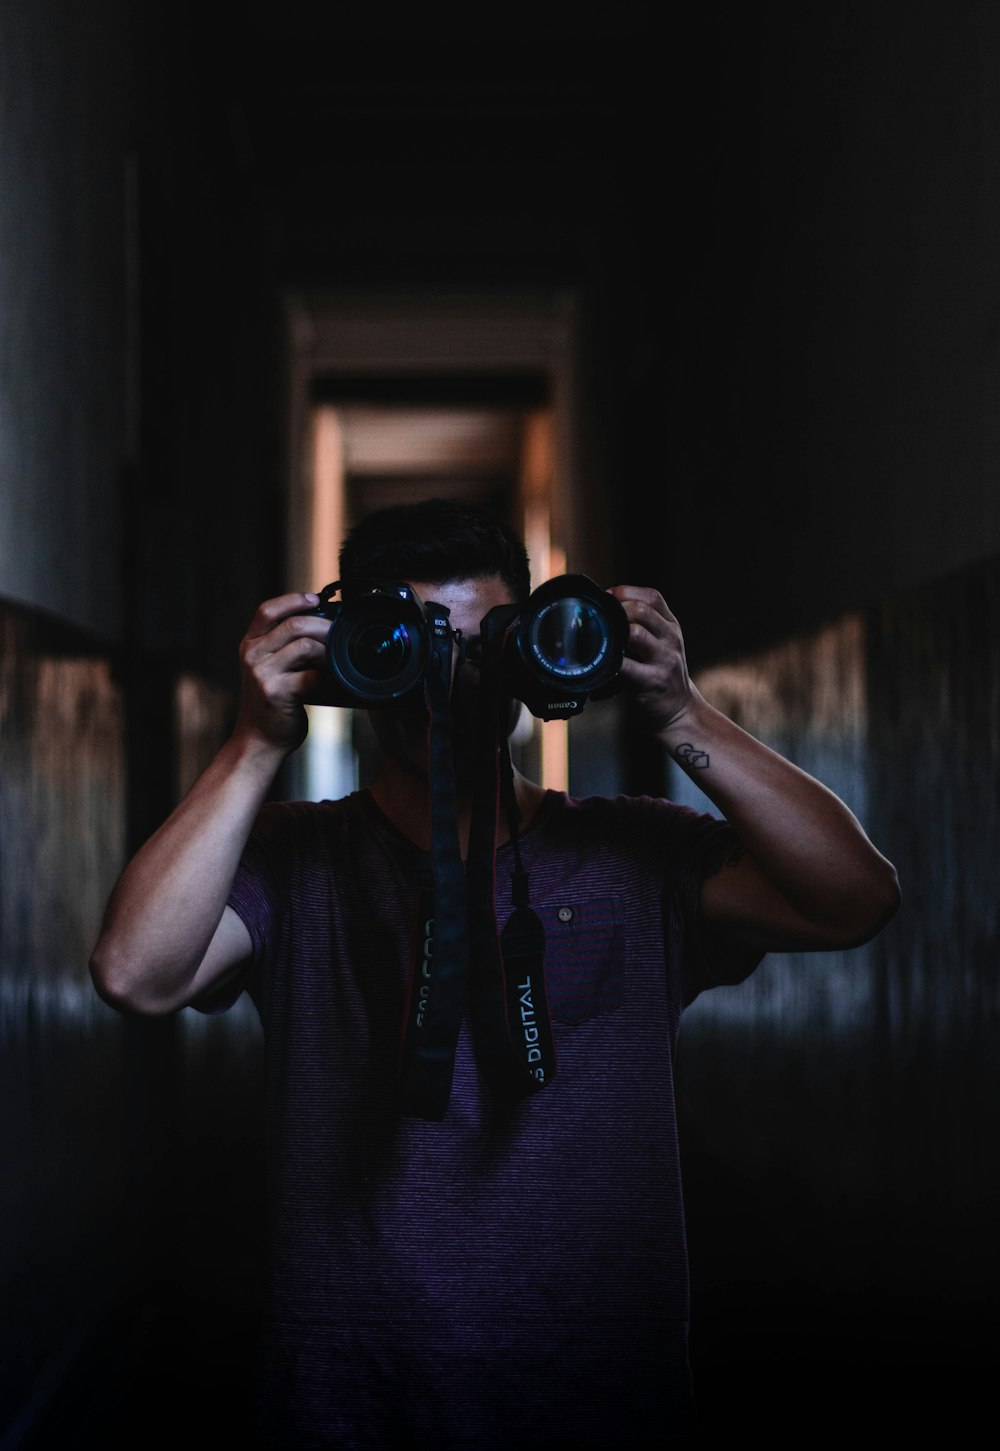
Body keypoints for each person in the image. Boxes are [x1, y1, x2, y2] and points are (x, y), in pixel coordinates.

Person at [90, 497, 900, 1449]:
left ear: (538, 652)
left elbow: (856, 898)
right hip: (352, 1400)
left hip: (603, 1399)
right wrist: (254, 741)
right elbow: (136, 976)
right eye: (414, 644)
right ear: (353, 658)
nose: (454, 680)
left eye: (487, 645)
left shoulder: (634, 855)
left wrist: (681, 710)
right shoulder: (292, 863)